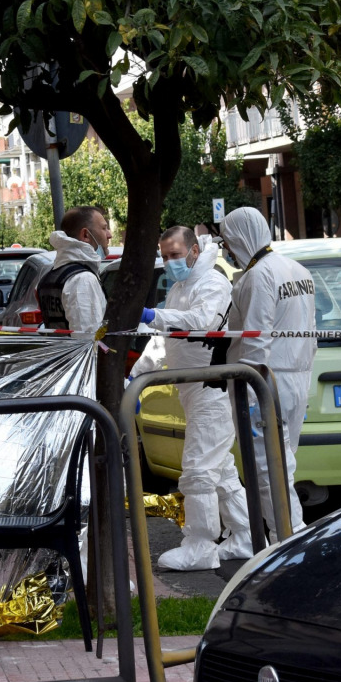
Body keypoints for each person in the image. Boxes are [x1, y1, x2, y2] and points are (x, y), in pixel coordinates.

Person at [135, 226, 253, 570]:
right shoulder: (180, 288)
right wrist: (137, 376)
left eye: (175, 255)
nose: (170, 262)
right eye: (165, 256)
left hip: (212, 389)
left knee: (199, 470)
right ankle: (244, 535)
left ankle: (200, 545)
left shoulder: (213, 285)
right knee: (221, 471)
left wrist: (153, 315)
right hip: (194, 390)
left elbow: (202, 323)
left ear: (194, 251)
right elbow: (165, 341)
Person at [220, 206, 317, 541]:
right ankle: (292, 536)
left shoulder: (259, 276)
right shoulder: (297, 269)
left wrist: (248, 386)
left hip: (265, 382)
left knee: (267, 469)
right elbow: (310, 333)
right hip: (296, 380)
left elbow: (256, 340)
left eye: (227, 241)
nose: (227, 250)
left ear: (239, 237)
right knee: (284, 463)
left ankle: (286, 541)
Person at [37, 206, 112, 333]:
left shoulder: (51, 277)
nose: (109, 235)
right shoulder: (83, 279)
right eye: (104, 228)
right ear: (85, 235)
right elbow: (88, 338)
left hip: (61, 352)